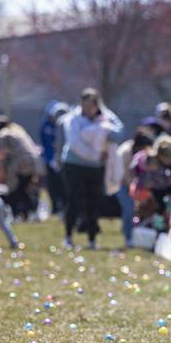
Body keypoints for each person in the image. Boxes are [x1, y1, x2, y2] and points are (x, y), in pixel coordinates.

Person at [61, 88, 125, 249]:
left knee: (94, 202)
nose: (89, 109)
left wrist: (103, 130)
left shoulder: (106, 117)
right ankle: (68, 236)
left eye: (92, 105)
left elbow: (119, 132)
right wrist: (96, 154)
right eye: (86, 105)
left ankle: (92, 239)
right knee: (74, 200)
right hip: (74, 165)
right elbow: (75, 143)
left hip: (96, 168)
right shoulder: (73, 119)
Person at [0, 117, 46, 220]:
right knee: (24, 189)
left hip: (22, 164)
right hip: (34, 162)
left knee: (16, 190)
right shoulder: (17, 130)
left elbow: (2, 153)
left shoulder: (4, 133)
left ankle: (20, 213)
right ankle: (31, 212)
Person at [108, 128, 154, 247]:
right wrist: (136, 190)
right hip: (120, 184)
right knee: (129, 210)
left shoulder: (143, 153)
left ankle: (135, 237)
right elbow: (126, 175)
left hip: (135, 185)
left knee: (135, 211)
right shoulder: (125, 152)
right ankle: (128, 237)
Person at [39, 101, 69, 214]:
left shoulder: (68, 126)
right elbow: (47, 144)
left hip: (64, 161)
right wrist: (51, 159)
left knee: (64, 187)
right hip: (51, 161)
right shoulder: (46, 126)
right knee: (52, 186)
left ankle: (65, 207)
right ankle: (55, 207)